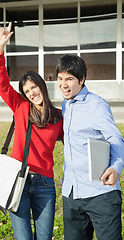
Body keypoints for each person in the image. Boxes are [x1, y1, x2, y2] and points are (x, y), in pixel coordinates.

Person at [0, 22, 63, 240]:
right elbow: (2, 83)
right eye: (27, 90)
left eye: (34, 87)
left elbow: (74, 141)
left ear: (42, 85)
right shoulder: (21, 108)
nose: (32, 93)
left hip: (45, 184)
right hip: (18, 181)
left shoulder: (60, 116)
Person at [56, 54, 124, 240]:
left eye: (69, 79)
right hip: (71, 194)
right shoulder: (65, 105)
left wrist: (116, 168)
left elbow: (115, 137)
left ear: (82, 79)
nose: (63, 84)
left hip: (100, 194)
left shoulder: (96, 104)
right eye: (60, 79)